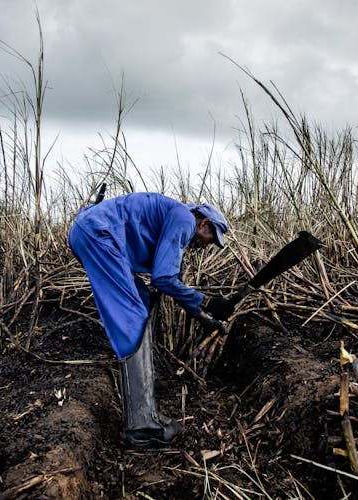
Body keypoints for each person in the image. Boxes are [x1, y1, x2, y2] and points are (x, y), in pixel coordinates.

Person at [68, 191, 237, 448]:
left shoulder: (176, 217)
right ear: (203, 224)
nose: (206, 245)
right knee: (132, 314)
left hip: (91, 231)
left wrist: (204, 317)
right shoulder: (184, 219)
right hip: (98, 233)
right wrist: (208, 301)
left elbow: (167, 280)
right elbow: (164, 279)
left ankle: (144, 399)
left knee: (141, 297)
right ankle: (141, 427)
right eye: (211, 237)